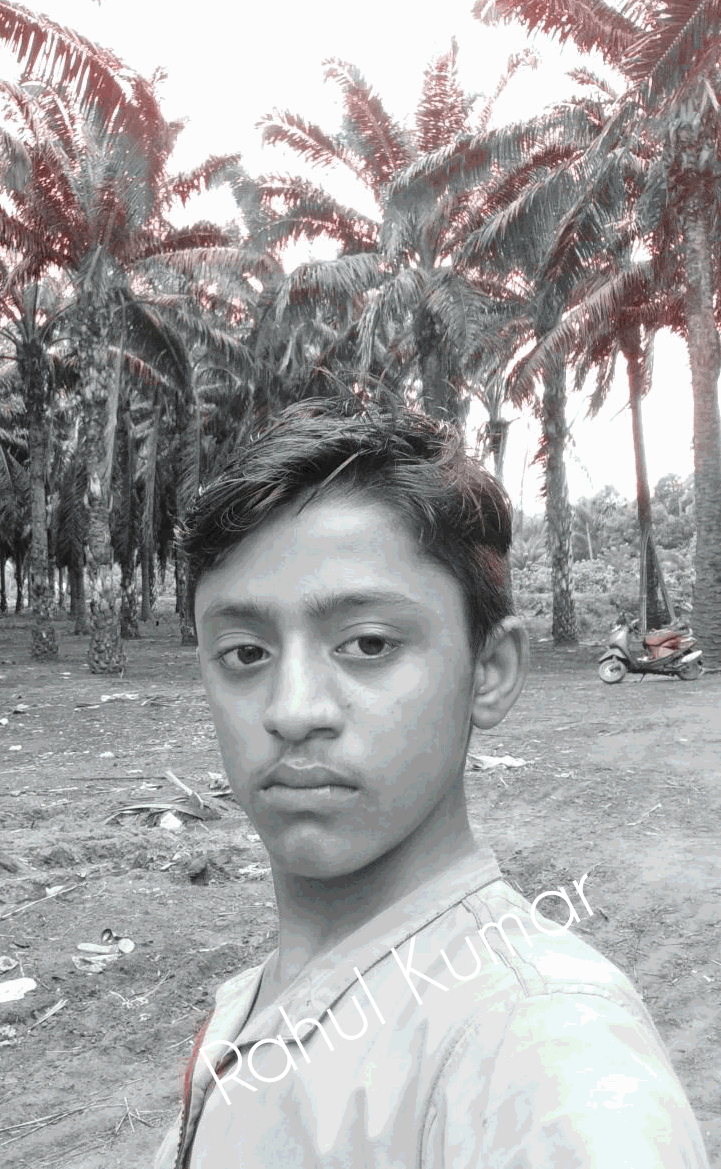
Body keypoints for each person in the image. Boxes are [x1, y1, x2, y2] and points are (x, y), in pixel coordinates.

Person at [153, 393, 709, 1169]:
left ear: (491, 670)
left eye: (368, 643)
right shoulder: (254, 999)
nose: (292, 710)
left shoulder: (543, 1051)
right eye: (245, 653)